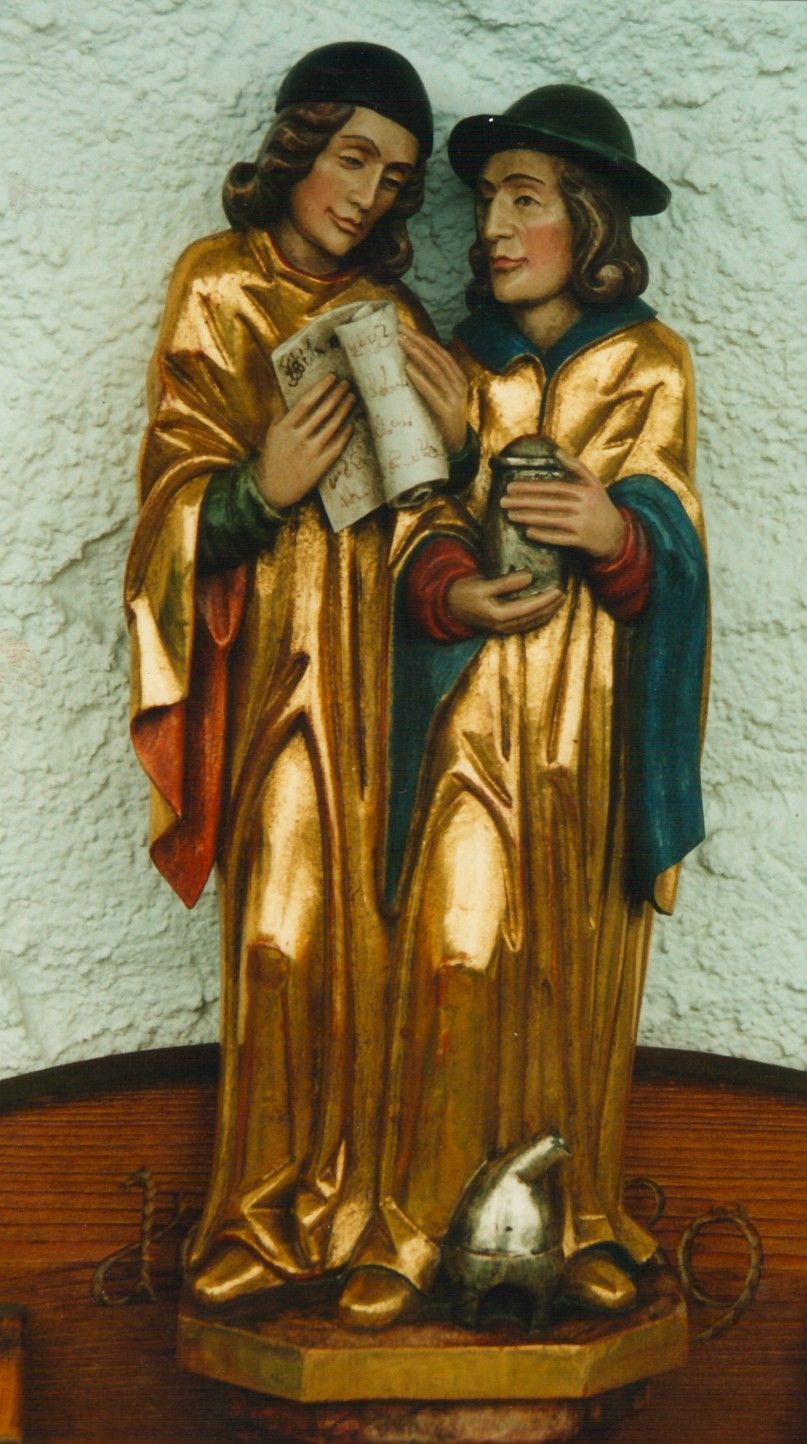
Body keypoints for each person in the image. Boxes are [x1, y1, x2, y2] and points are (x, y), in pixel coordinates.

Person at [339, 84, 709, 1328]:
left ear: (589, 220)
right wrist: (446, 581)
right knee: (451, 949)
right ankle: (410, 1221)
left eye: (524, 198)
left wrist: (619, 532)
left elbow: (676, 542)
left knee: (569, 968)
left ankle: (576, 1212)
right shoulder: (458, 361)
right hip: (469, 713)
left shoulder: (647, 364)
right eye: (488, 201)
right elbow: (409, 516)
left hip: (590, 727)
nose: (494, 226)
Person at [124, 42, 475, 1313]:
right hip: (275, 664)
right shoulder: (218, 285)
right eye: (352, 158)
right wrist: (254, 490)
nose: (369, 196)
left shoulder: (400, 320)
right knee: (281, 929)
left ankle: (372, 1207)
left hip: (390, 672)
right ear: (296, 148)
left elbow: (440, 516)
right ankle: (263, 1211)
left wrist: (463, 445)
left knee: (385, 932)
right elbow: (169, 494)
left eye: (396, 179)